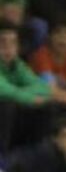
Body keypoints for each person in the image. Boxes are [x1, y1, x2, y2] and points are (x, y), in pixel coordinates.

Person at [0, 19, 52, 150]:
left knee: (48, 106)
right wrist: (31, 98)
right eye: (2, 42)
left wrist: (33, 97)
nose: (8, 48)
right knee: (6, 105)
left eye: (13, 43)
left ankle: (37, 150)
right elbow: (5, 90)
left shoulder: (18, 65)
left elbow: (43, 88)